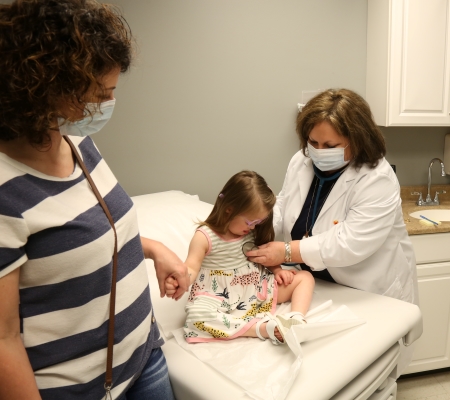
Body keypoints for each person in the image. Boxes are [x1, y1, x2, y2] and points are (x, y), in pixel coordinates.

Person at [0, 1, 188, 399]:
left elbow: (95, 229)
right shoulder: (5, 191)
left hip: (143, 359)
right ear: (41, 88)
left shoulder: (79, 143)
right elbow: (3, 340)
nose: (106, 104)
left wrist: (152, 250)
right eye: (99, 93)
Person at [247, 88, 418, 305]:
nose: (318, 152)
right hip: (319, 286)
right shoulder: (301, 161)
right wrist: (255, 225)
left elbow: (349, 243)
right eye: (313, 142)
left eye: (330, 146)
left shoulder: (377, 179)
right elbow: (284, 205)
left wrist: (287, 251)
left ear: (357, 140)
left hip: (368, 293)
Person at [166, 171, 315, 345]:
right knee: (196, 318)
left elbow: (263, 257)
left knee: (305, 277)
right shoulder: (204, 237)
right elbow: (191, 267)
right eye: (250, 222)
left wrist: (277, 270)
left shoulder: (250, 232)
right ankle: (261, 328)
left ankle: (296, 319)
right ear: (229, 210)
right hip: (218, 295)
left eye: (257, 223)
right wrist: (179, 280)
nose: (253, 228)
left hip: (255, 289)